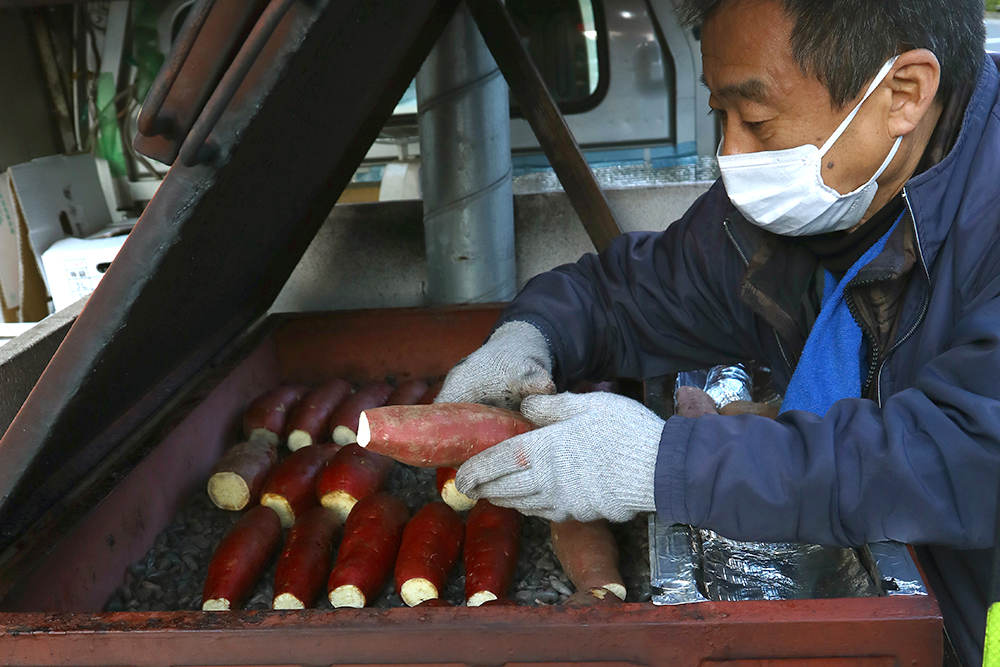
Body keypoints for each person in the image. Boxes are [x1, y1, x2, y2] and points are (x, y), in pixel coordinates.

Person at [435, 0, 997, 663]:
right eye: (719, 115)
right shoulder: (809, 202)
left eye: (755, 118)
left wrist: (661, 464)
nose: (731, 155)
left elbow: (958, 456)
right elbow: (636, 292)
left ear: (903, 93)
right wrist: (532, 336)